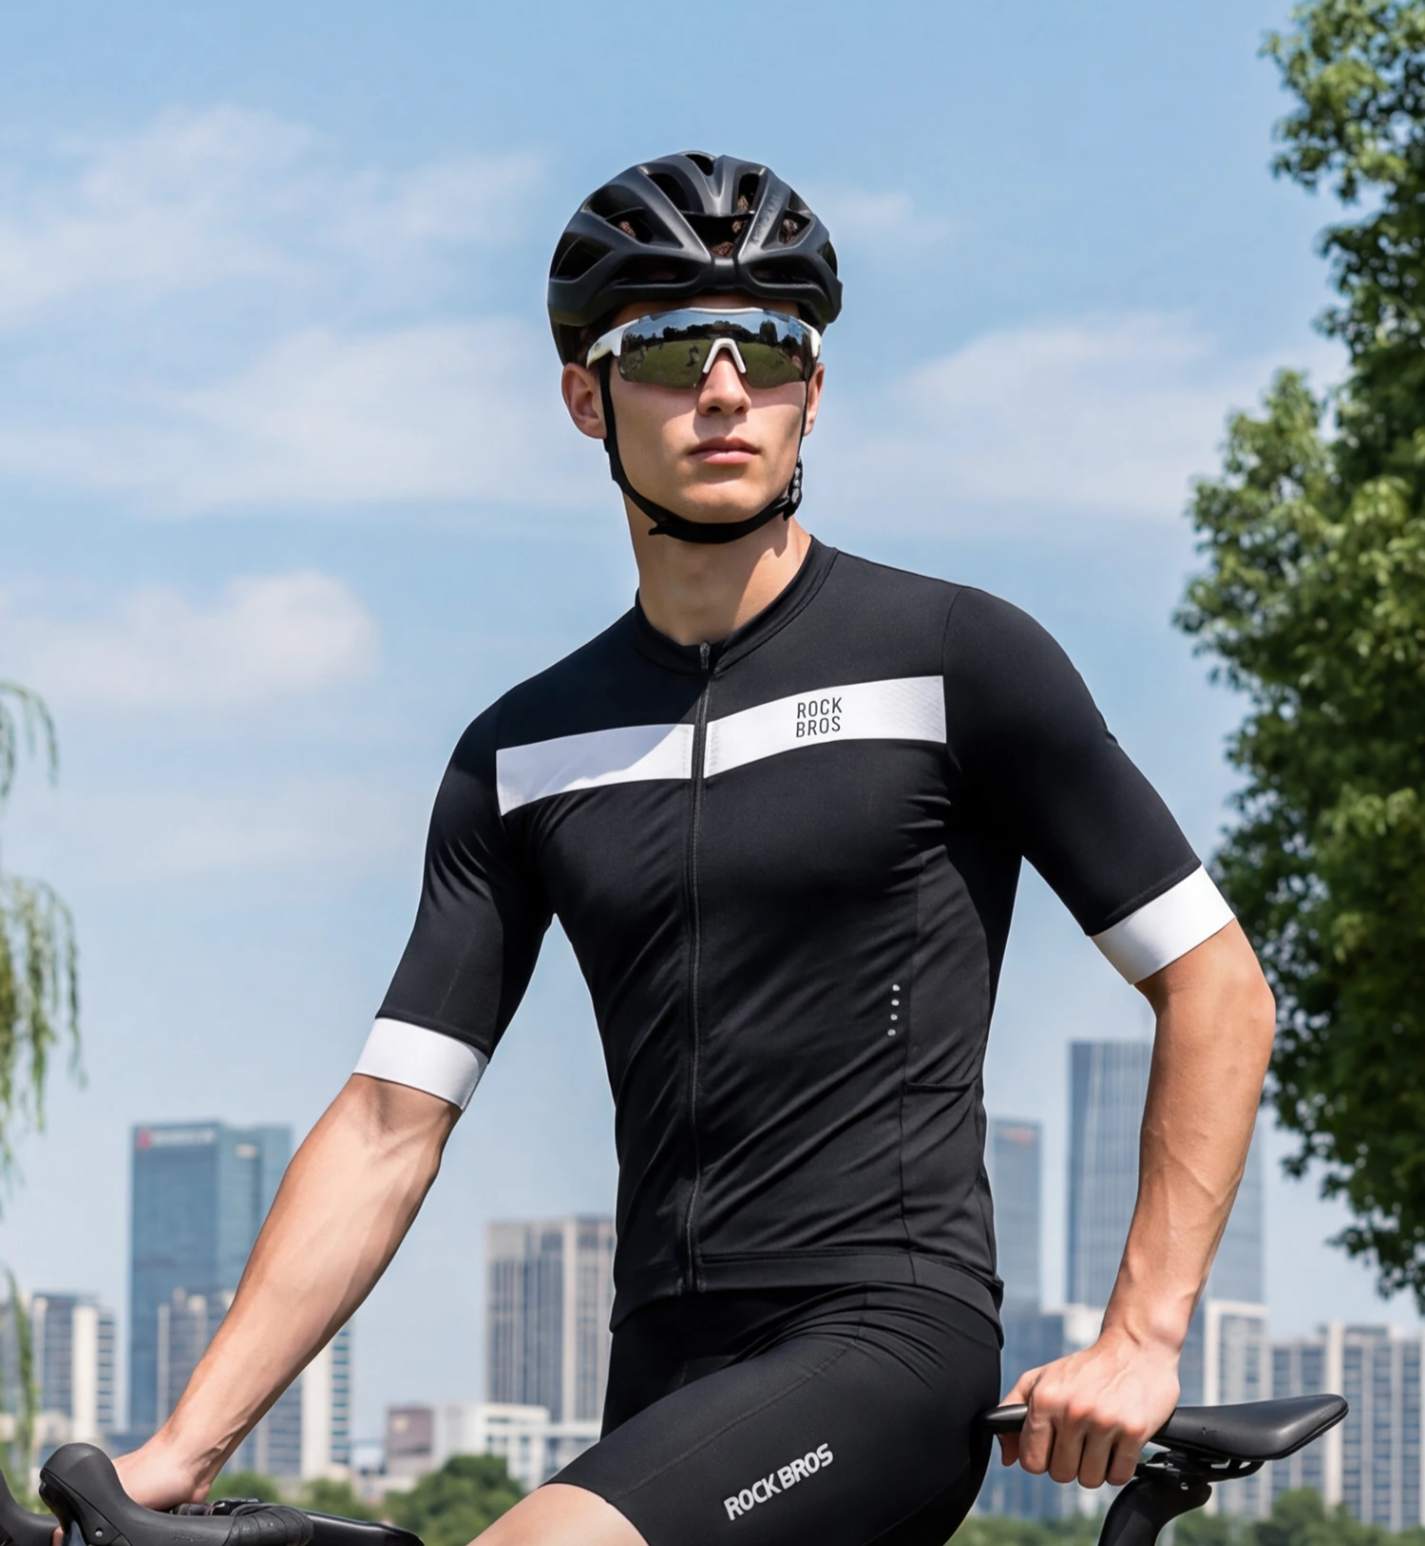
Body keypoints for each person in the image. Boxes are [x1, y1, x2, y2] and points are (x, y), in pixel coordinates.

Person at [112, 152, 1277, 1546]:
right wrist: (178, 1450)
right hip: (659, 1373)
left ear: (811, 392)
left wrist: (1140, 1336)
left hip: (885, 1337)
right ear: (585, 398)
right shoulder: (522, 752)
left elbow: (1216, 983)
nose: (724, 389)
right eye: (670, 350)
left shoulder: (954, 661)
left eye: (766, 350)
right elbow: (385, 1126)